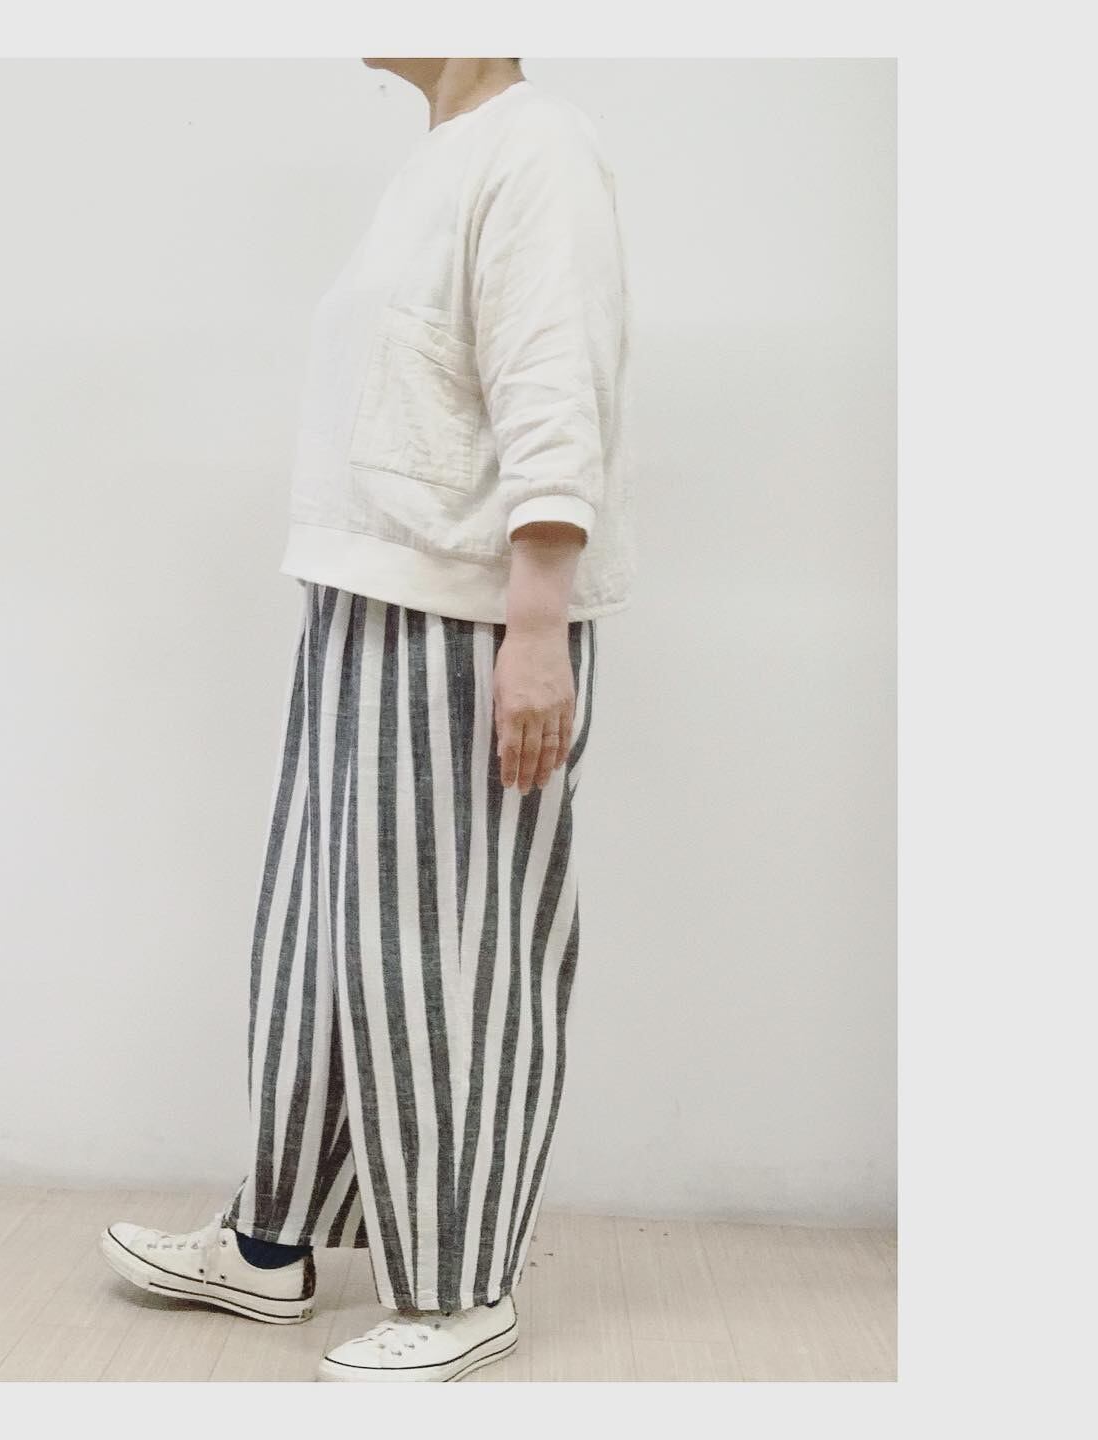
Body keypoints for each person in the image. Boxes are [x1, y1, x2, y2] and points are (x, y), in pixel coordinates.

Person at [98, 56, 634, 1383]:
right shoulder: (438, 158)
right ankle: (271, 1240)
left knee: (446, 957)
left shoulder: (536, 146)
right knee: (325, 939)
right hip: (367, 598)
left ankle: (460, 1287)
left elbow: (555, 380)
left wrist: (537, 623)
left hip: (468, 619)